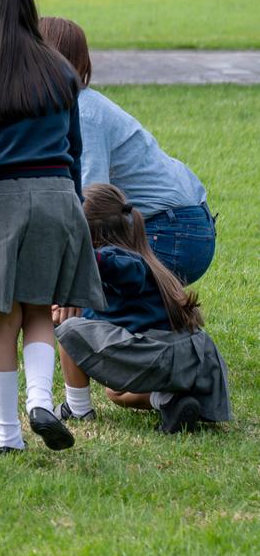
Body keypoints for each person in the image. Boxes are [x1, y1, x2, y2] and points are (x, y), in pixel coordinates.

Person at [0, 0, 105, 455]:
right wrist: (73, 206)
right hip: (58, 198)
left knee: (3, 317)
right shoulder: (59, 68)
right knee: (40, 310)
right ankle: (40, 401)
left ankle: (7, 435)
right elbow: (75, 149)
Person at [39, 17, 216, 284]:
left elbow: (91, 203)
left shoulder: (83, 114)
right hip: (179, 224)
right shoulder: (73, 107)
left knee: (84, 294)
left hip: (174, 231)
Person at [54, 184, 232, 433]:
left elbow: (122, 269)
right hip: (192, 359)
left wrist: (88, 256)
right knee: (114, 392)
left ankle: (77, 408)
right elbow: (110, 318)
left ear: (89, 233)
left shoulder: (122, 261)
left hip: (164, 356)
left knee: (68, 330)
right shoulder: (146, 258)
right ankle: (170, 402)